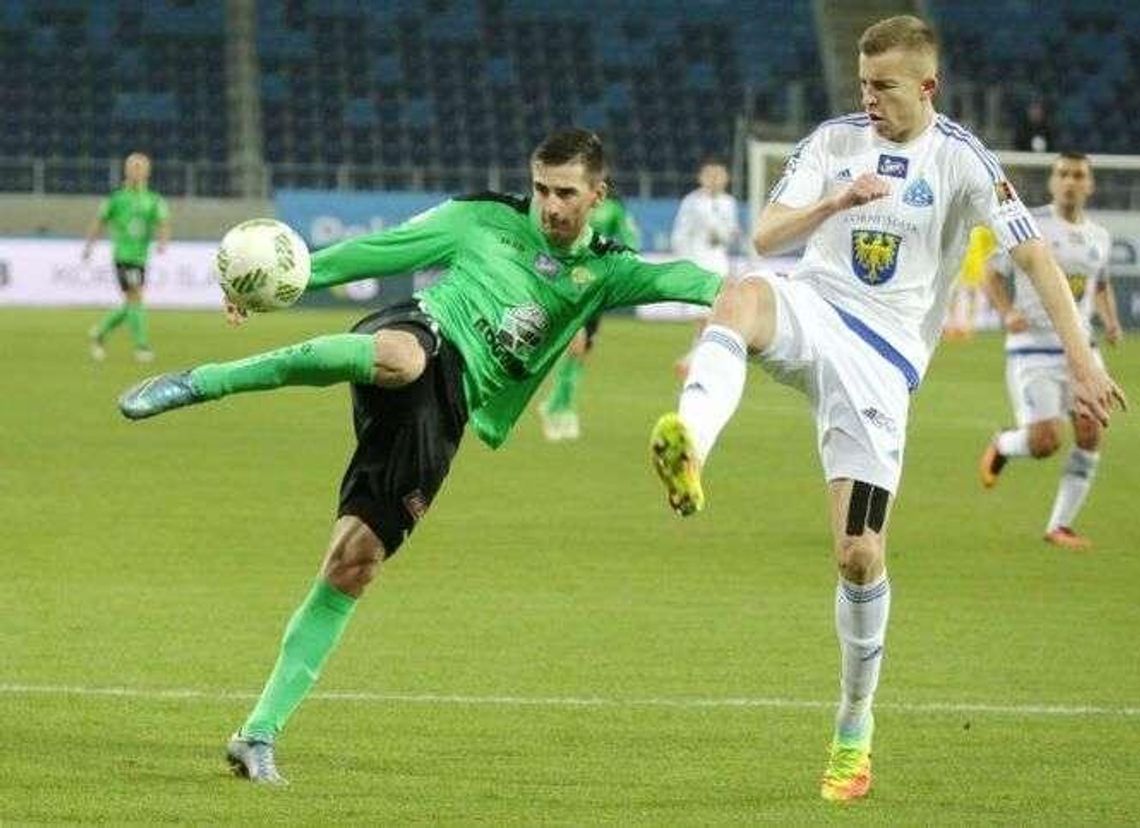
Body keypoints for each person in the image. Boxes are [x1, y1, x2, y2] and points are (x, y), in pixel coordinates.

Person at [116, 129, 722, 785]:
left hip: (446, 414)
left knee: (353, 563)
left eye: (566, 194)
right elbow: (378, 251)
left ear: (597, 195)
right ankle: (205, 381)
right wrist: (288, 282)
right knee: (404, 359)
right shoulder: (483, 218)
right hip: (422, 330)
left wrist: (758, 298)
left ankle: (256, 734)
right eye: (541, 189)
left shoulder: (607, 269)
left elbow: (688, 280)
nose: (549, 205)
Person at [646, 16, 1126, 803]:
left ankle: (853, 727)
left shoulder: (962, 159)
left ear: (927, 86)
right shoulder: (835, 140)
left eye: (885, 86)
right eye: (863, 84)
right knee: (740, 298)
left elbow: (1032, 254)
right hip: (813, 306)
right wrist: (834, 201)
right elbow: (766, 234)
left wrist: (1082, 362)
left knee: (858, 554)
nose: (868, 98)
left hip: (882, 362)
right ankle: (690, 444)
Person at [978, 152, 1122, 549]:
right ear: (1053, 182)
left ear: (1090, 184)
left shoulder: (1099, 236)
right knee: (1045, 442)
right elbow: (991, 272)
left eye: (1079, 175)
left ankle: (1060, 526)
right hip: (1032, 349)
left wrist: (1111, 321)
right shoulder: (1031, 224)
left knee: (1091, 431)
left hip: (1081, 350)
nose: (1071, 181)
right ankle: (1004, 444)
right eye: (1064, 174)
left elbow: (1100, 285)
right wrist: (1007, 312)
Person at [538, 188, 641, 440]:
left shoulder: (613, 208)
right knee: (576, 343)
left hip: (594, 285)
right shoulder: (564, 202)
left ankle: (556, 404)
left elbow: (630, 239)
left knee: (581, 352)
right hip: (566, 281)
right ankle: (562, 410)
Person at [83, 152, 170, 362]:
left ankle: (100, 332)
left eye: (141, 167)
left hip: (141, 257)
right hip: (123, 255)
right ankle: (142, 346)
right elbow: (100, 221)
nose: (137, 171)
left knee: (132, 302)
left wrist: (162, 241)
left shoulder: (153, 199)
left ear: (148, 172)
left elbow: (163, 222)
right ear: (126, 170)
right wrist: (89, 246)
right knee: (136, 297)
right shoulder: (117, 198)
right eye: (133, 167)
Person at [671, 158, 741, 377]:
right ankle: (696, 360)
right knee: (705, 318)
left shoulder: (729, 203)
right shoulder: (692, 202)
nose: (714, 179)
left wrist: (727, 233)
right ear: (701, 177)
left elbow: (729, 234)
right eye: (710, 175)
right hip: (697, 263)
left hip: (719, 263)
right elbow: (680, 234)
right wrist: (684, 263)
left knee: (716, 316)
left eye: (719, 175)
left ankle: (695, 361)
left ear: (726, 178)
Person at [944, 225, 996, 339]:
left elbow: (989, 253)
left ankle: (966, 327)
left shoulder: (983, 231)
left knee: (974, 301)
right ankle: (955, 327)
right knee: (958, 299)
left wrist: (986, 270)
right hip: (959, 272)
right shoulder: (957, 228)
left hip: (976, 272)